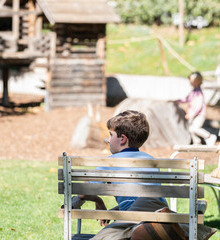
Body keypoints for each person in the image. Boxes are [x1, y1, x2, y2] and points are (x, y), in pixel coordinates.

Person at [78, 110, 169, 239]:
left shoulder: (110, 162)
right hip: (159, 210)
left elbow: (82, 192)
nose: (108, 140)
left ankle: (137, 231)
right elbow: (138, 199)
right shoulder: (151, 160)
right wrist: (116, 210)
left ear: (122, 139)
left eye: (111, 135)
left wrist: (99, 201)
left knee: (104, 236)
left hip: (135, 217)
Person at [174, 71, 217, 146]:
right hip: (194, 114)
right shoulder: (193, 92)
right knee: (190, 128)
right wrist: (178, 101)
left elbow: (199, 105)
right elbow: (186, 99)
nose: (190, 83)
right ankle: (197, 142)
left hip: (199, 115)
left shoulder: (198, 93)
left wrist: (192, 114)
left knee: (194, 128)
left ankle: (209, 136)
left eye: (192, 81)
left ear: (197, 82)